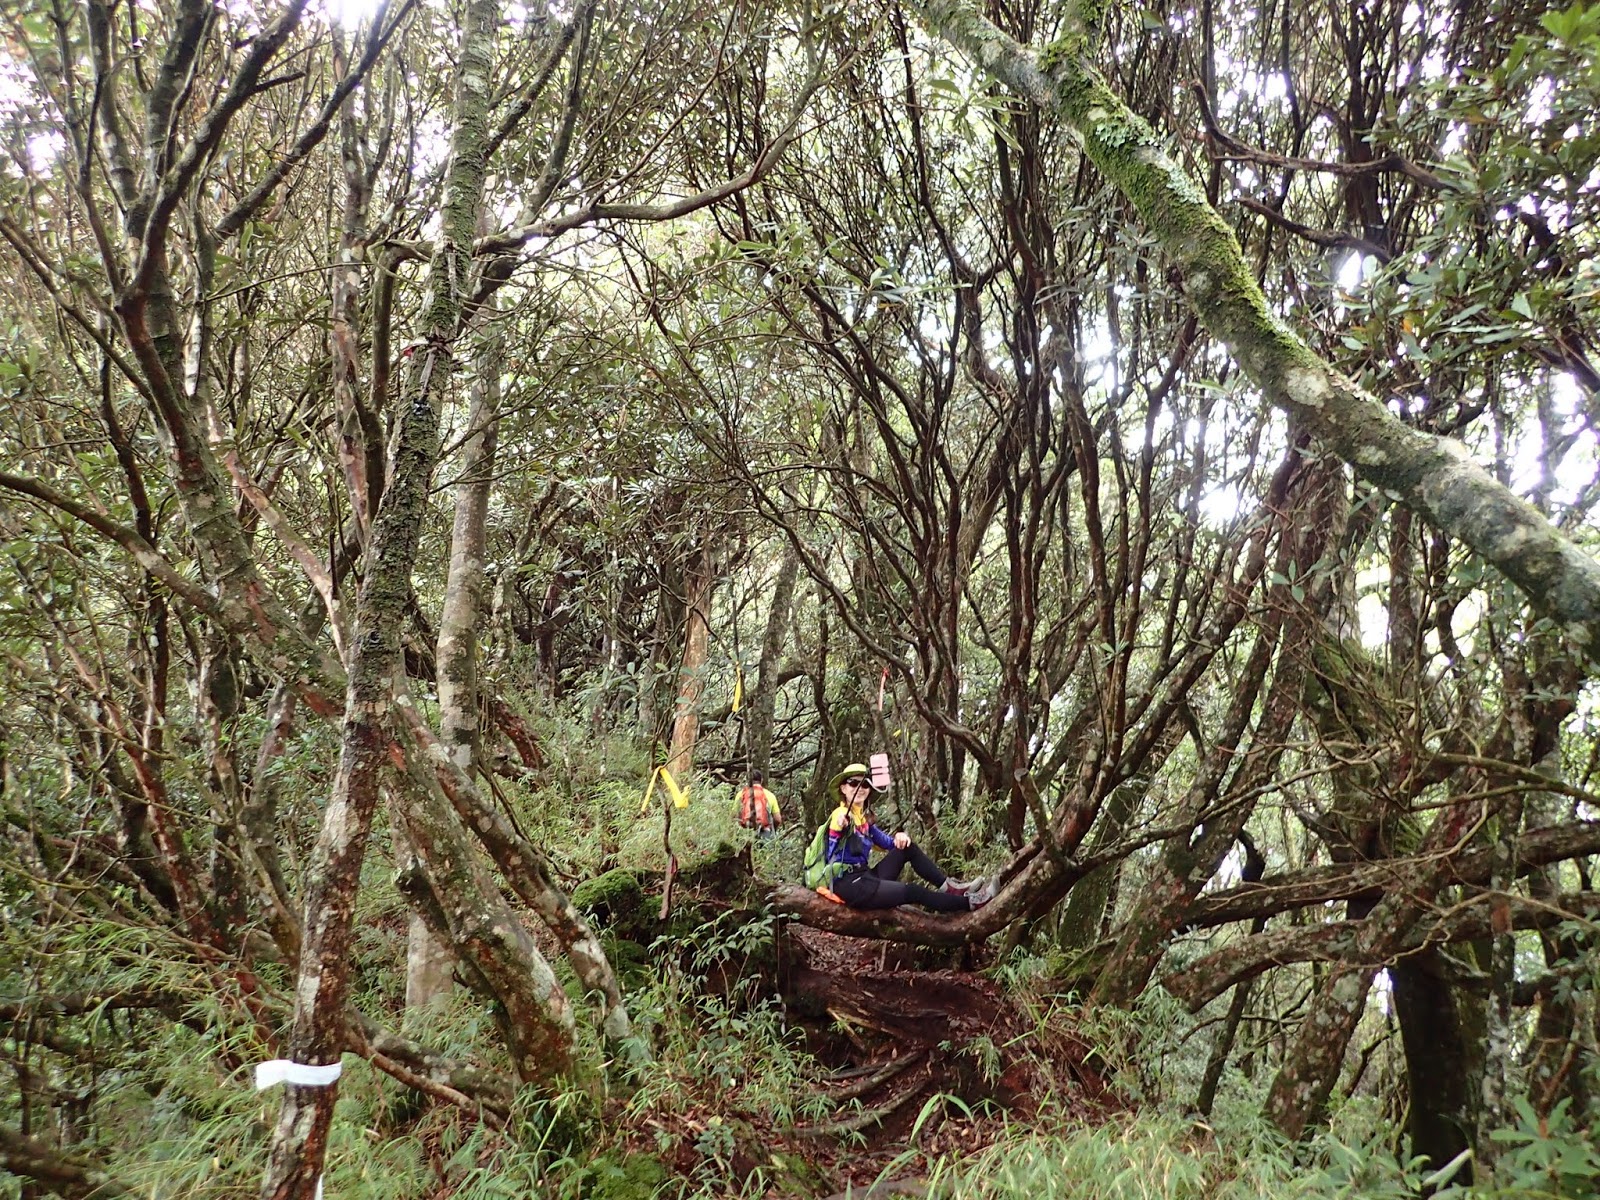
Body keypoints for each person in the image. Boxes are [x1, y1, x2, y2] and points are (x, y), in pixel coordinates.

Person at [820, 763, 993, 913]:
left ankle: (950, 888)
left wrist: (900, 837)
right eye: (853, 783)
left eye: (864, 784)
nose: (860, 788)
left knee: (907, 848)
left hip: (866, 877)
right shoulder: (841, 814)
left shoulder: (863, 821)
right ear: (843, 788)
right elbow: (839, 822)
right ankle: (971, 903)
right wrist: (842, 822)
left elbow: (890, 844)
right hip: (849, 885)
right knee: (913, 891)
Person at [736, 770, 782, 837]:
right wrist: (772, 830)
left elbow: (734, 816)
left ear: (747, 781)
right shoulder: (770, 795)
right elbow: (777, 819)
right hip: (764, 833)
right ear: (761, 780)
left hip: (745, 833)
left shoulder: (741, 794)